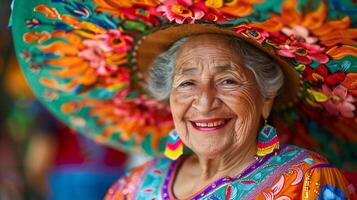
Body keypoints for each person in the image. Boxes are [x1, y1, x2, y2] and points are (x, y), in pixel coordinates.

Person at [10, 0, 357, 199]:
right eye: (187, 83)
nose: (204, 102)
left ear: (266, 97)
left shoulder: (307, 183)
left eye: (228, 80)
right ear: (169, 99)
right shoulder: (131, 188)